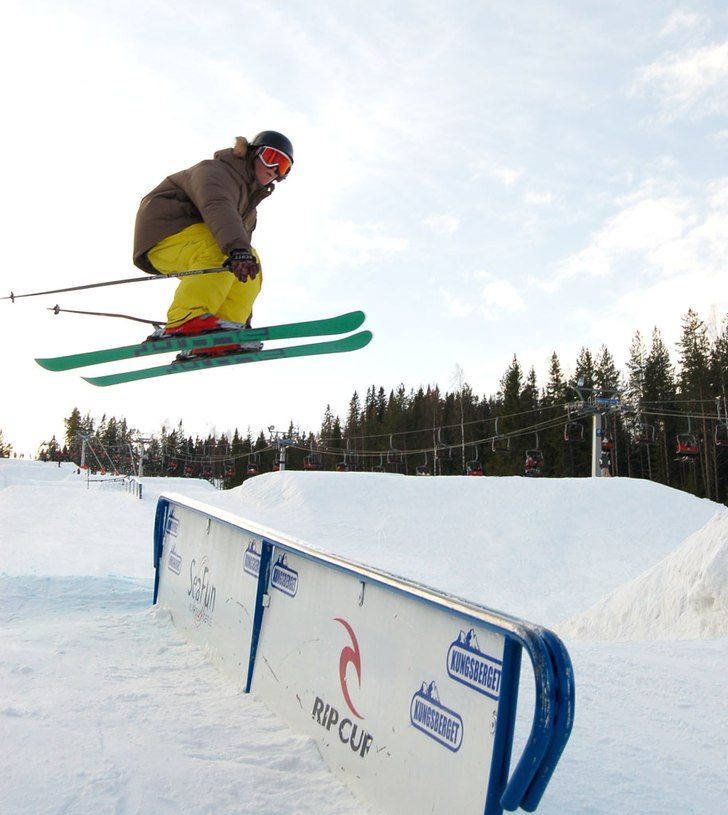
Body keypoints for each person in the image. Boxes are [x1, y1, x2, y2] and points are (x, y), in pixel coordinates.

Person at [132, 130, 294, 355]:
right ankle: (185, 320)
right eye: (271, 158)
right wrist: (237, 250)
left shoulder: (249, 208)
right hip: (166, 232)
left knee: (250, 263)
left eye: (283, 166)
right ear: (251, 153)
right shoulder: (216, 171)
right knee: (227, 250)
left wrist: (244, 322)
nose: (274, 169)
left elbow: (239, 261)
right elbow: (217, 206)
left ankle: (223, 330)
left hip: (199, 241)